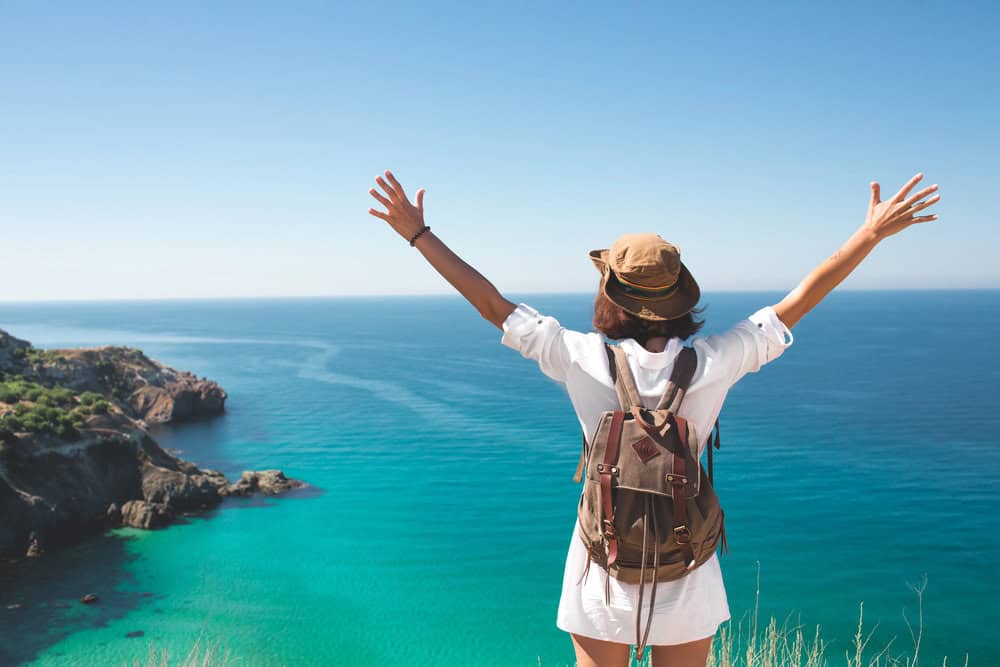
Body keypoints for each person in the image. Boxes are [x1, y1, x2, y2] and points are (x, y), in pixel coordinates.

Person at [367, 170, 940, 667]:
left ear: (609, 296)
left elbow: (491, 304)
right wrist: (870, 233)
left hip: (602, 567)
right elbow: (797, 303)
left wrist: (418, 234)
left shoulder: (578, 355)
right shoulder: (715, 360)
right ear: (680, 301)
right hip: (686, 565)